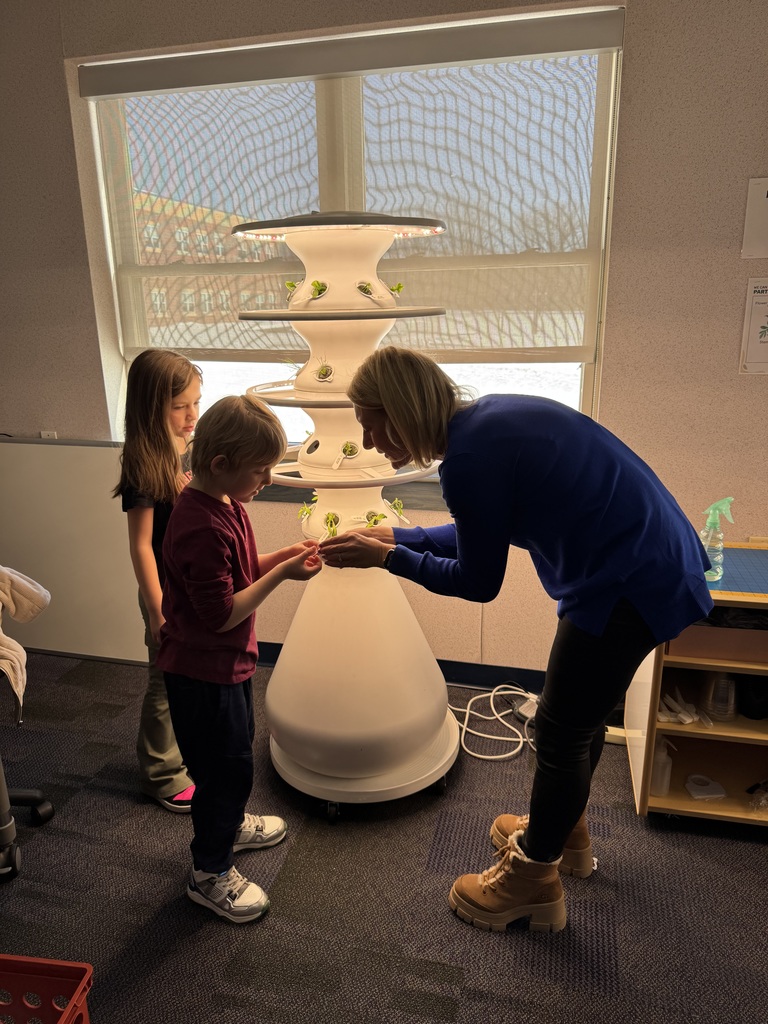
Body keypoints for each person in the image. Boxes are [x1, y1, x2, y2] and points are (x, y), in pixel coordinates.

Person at [318, 347, 713, 934]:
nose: (371, 443)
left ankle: (533, 879)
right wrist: (403, 535)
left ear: (399, 410)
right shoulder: (487, 420)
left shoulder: (470, 456)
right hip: (643, 562)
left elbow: (480, 582)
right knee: (580, 721)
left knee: (558, 731)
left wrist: (390, 559)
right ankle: (564, 830)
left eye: (372, 426)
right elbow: (483, 526)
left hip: (627, 582)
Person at [157, 394, 322, 923]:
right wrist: (281, 577)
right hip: (202, 673)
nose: (268, 479)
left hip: (225, 668)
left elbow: (240, 567)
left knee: (232, 760)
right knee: (222, 769)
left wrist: (280, 557)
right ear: (221, 464)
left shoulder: (223, 504)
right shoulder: (199, 525)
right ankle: (208, 872)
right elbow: (222, 614)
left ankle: (227, 822)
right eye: (261, 469)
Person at [113, 349, 202, 813]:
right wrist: (156, 610)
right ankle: (161, 776)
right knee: (163, 683)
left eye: (196, 402)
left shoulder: (176, 452)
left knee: (184, 679)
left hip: (185, 588)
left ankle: (179, 756)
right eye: (180, 405)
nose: (192, 415)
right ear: (152, 406)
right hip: (163, 593)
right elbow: (141, 544)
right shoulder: (143, 462)